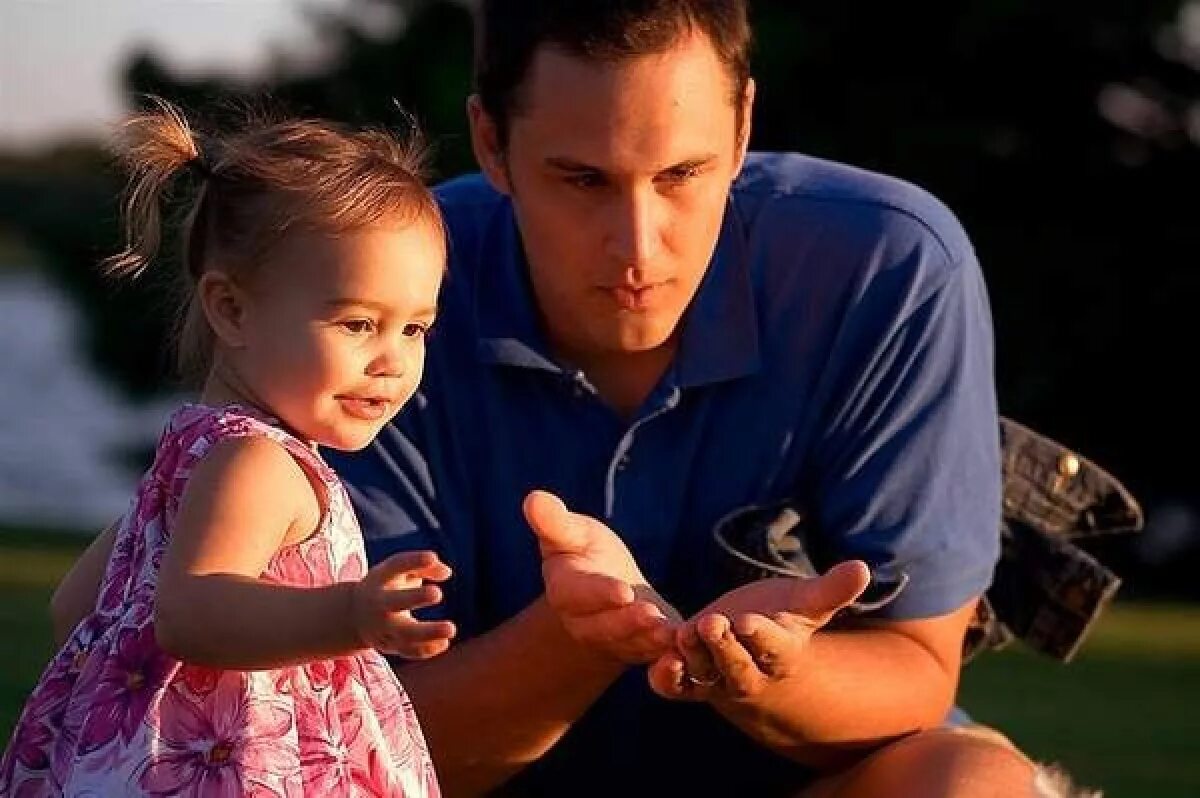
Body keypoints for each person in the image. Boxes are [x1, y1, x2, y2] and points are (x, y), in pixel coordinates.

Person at [48, 2, 1049, 796]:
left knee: (972, 782)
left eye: (684, 173)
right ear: (490, 141)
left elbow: (919, 672)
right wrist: (578, 636)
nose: (638, 247)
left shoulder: (887, 262)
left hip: (799, 781)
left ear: (744, 124)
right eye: (580, 179)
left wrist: (754, 670)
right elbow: (335, 740)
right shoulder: (379, 299)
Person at [2, 102, 454, 796]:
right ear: (232, 309)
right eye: (360, 322)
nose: (392, 360)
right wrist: (348, 614)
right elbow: (193, 614)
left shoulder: (193, 456)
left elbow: (75, 608)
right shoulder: (258, 463)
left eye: (415, 328)